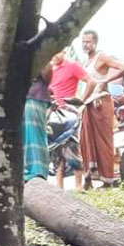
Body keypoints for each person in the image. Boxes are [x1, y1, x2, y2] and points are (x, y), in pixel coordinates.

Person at [79, 30, 124, 188]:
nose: (86, 44)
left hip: (101, 102)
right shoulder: (85, 61)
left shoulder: (101, 57)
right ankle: (88, 178)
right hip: (88, 103)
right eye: (83, 42)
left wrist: (105, 80)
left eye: (88, 41)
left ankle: (107, 180)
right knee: (85, 140)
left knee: (104, 141)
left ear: (95, 42)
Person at [48, 49, 92, 190]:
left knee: (72, 148)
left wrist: (81, 102)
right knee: (56, 151)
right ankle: (59, 188)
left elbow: (91, 81)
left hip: (69, 114)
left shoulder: (72, 66)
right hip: (54, 114)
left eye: (57, 52)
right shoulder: (50, 68)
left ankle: (78, 185)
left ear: (64, 51)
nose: (54, 54)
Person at [23, 61, 53, 182]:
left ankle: (37, 171)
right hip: (21, 97)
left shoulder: (38, 49)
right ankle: (27, 170)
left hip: (35, 97)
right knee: (24, 136)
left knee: (34, 134)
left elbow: (48, 74)